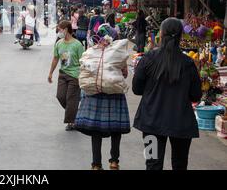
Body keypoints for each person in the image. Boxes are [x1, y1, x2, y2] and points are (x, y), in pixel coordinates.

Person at [132, 18, 202, 170]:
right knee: (180, 164)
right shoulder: (188, 63)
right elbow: (196, 95)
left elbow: (136, 89)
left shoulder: (148, 59)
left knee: (152, 163)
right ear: (181, 36)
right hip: (181, 123)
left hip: (150, 122)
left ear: (161, 34)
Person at [74, 36, 130, 170]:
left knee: (96, 130)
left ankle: (96, 164)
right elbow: (125, 74)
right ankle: (114, 161)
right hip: (115, 96)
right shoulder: (117, 54)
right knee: (116, 128)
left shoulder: (91, 53)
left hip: (96, 96)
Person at [48, 21, 84, 131]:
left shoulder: (78, 44)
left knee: (70, 98)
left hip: (75, 75)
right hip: (63, 74)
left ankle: (71, 122)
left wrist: (83, 76)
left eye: (60, 30)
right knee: (61, 96)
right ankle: (74, 113)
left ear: (66, 29)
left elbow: (82, 61)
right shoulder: (59, 43)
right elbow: (55, 58)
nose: (59, 32)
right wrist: (50, 73)